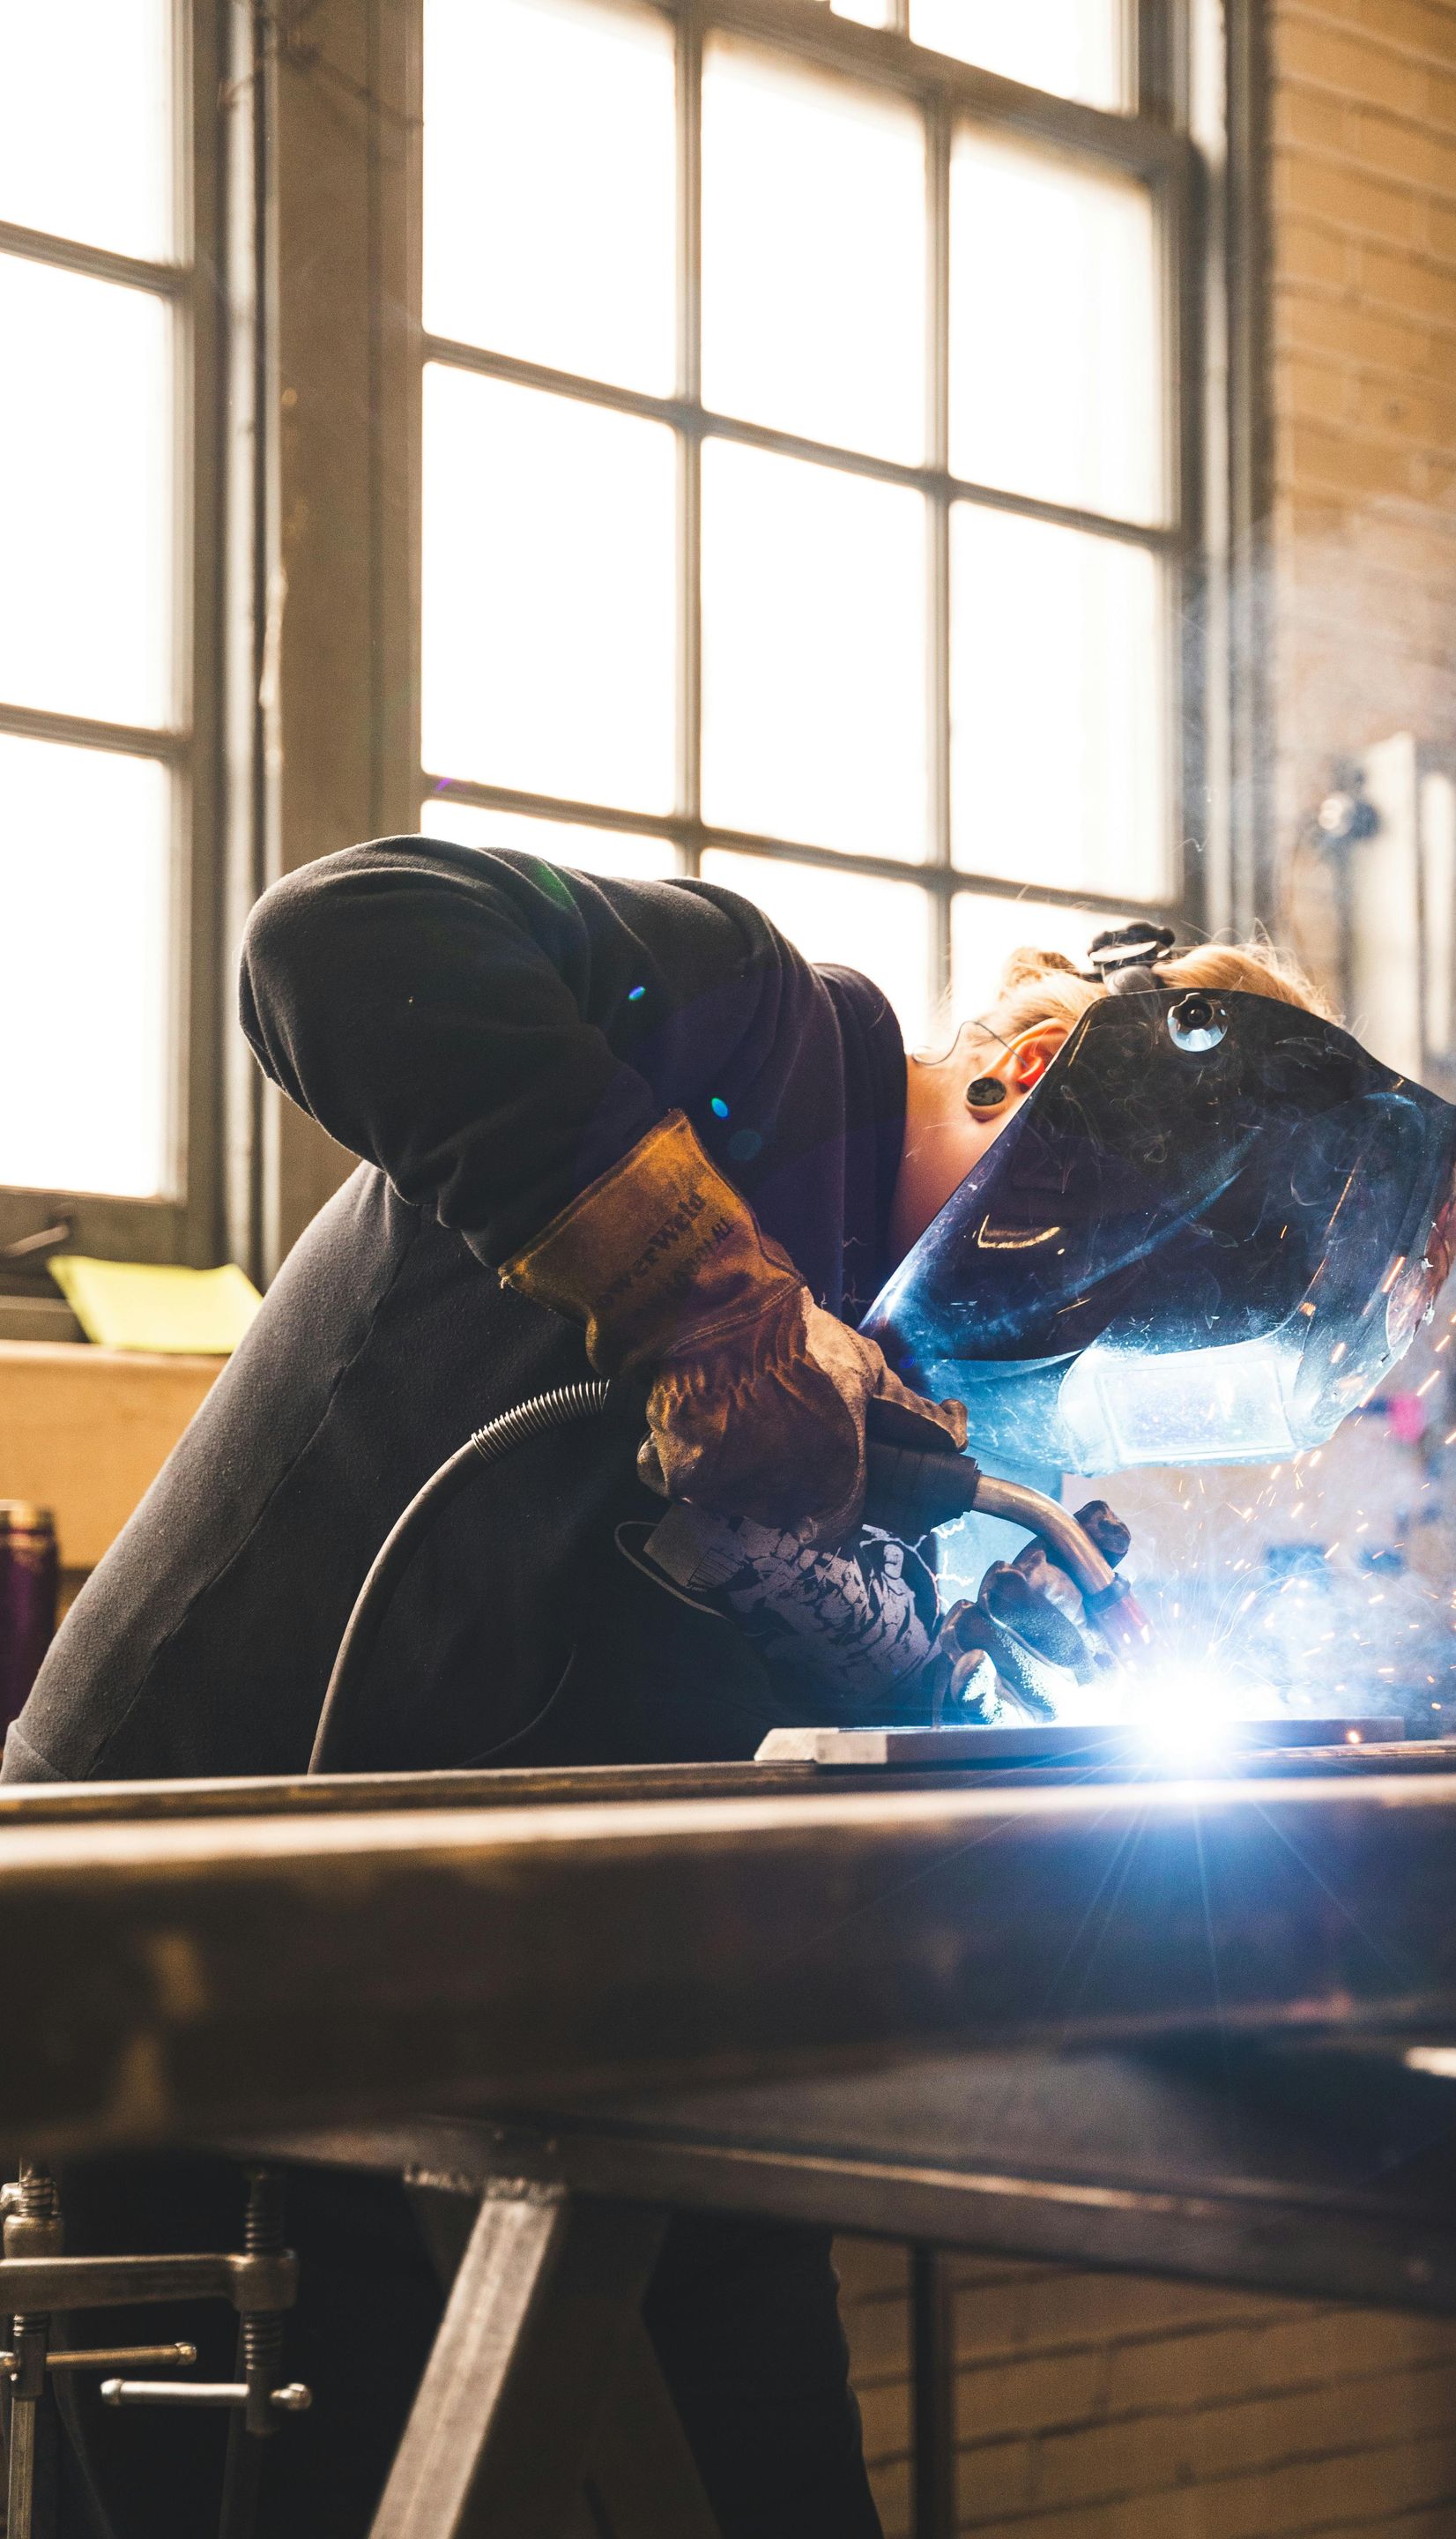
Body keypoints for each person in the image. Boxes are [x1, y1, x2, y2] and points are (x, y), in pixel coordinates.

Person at [4, 834, 1333, 2536]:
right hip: (187, 1972)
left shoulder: (904, 1396)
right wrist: (705, 1296)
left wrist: (977, 1697)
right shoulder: (740, 1038)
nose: (1071, 1348)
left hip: (593, 2022)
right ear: (1024, 1083)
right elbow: (332, 933)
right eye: (1104, 1292)